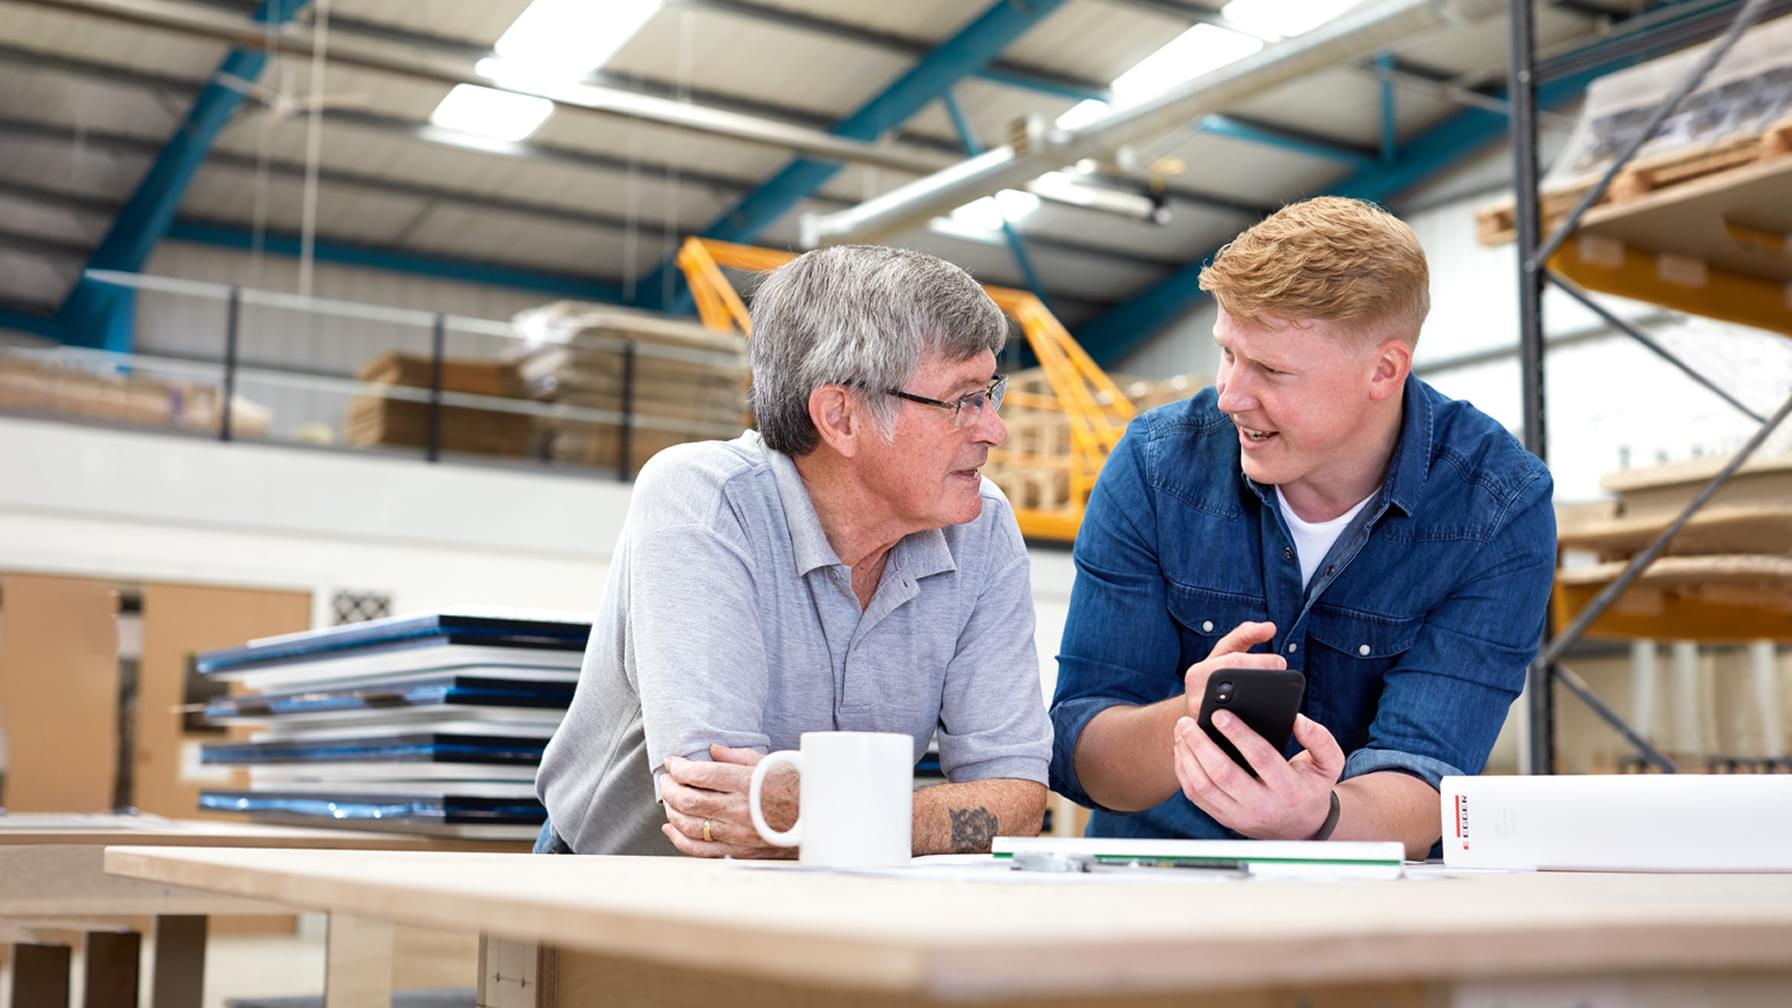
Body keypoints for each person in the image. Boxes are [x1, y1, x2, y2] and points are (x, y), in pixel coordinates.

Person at [1048, 197, 1555, 859]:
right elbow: (1082, 755)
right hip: (1157, 885)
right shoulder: (1157, 464)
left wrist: (1315, 820)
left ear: (1385, 370)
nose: (1231, 394)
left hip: (1365, 901)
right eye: (1228, 353)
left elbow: (1428, 773)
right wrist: (1190, 718)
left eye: (1271, 371)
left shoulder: (1496, 508)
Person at [535, 244, 1051, 857]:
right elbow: (715, 809)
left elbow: (1017, 802)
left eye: (991, 393)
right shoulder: (704, 498)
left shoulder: (982, 526)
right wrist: (881, 819)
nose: (995, 428)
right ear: (840, 417)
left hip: (840, 882)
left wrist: (825, 815)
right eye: (963, 400)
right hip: (612, 884)